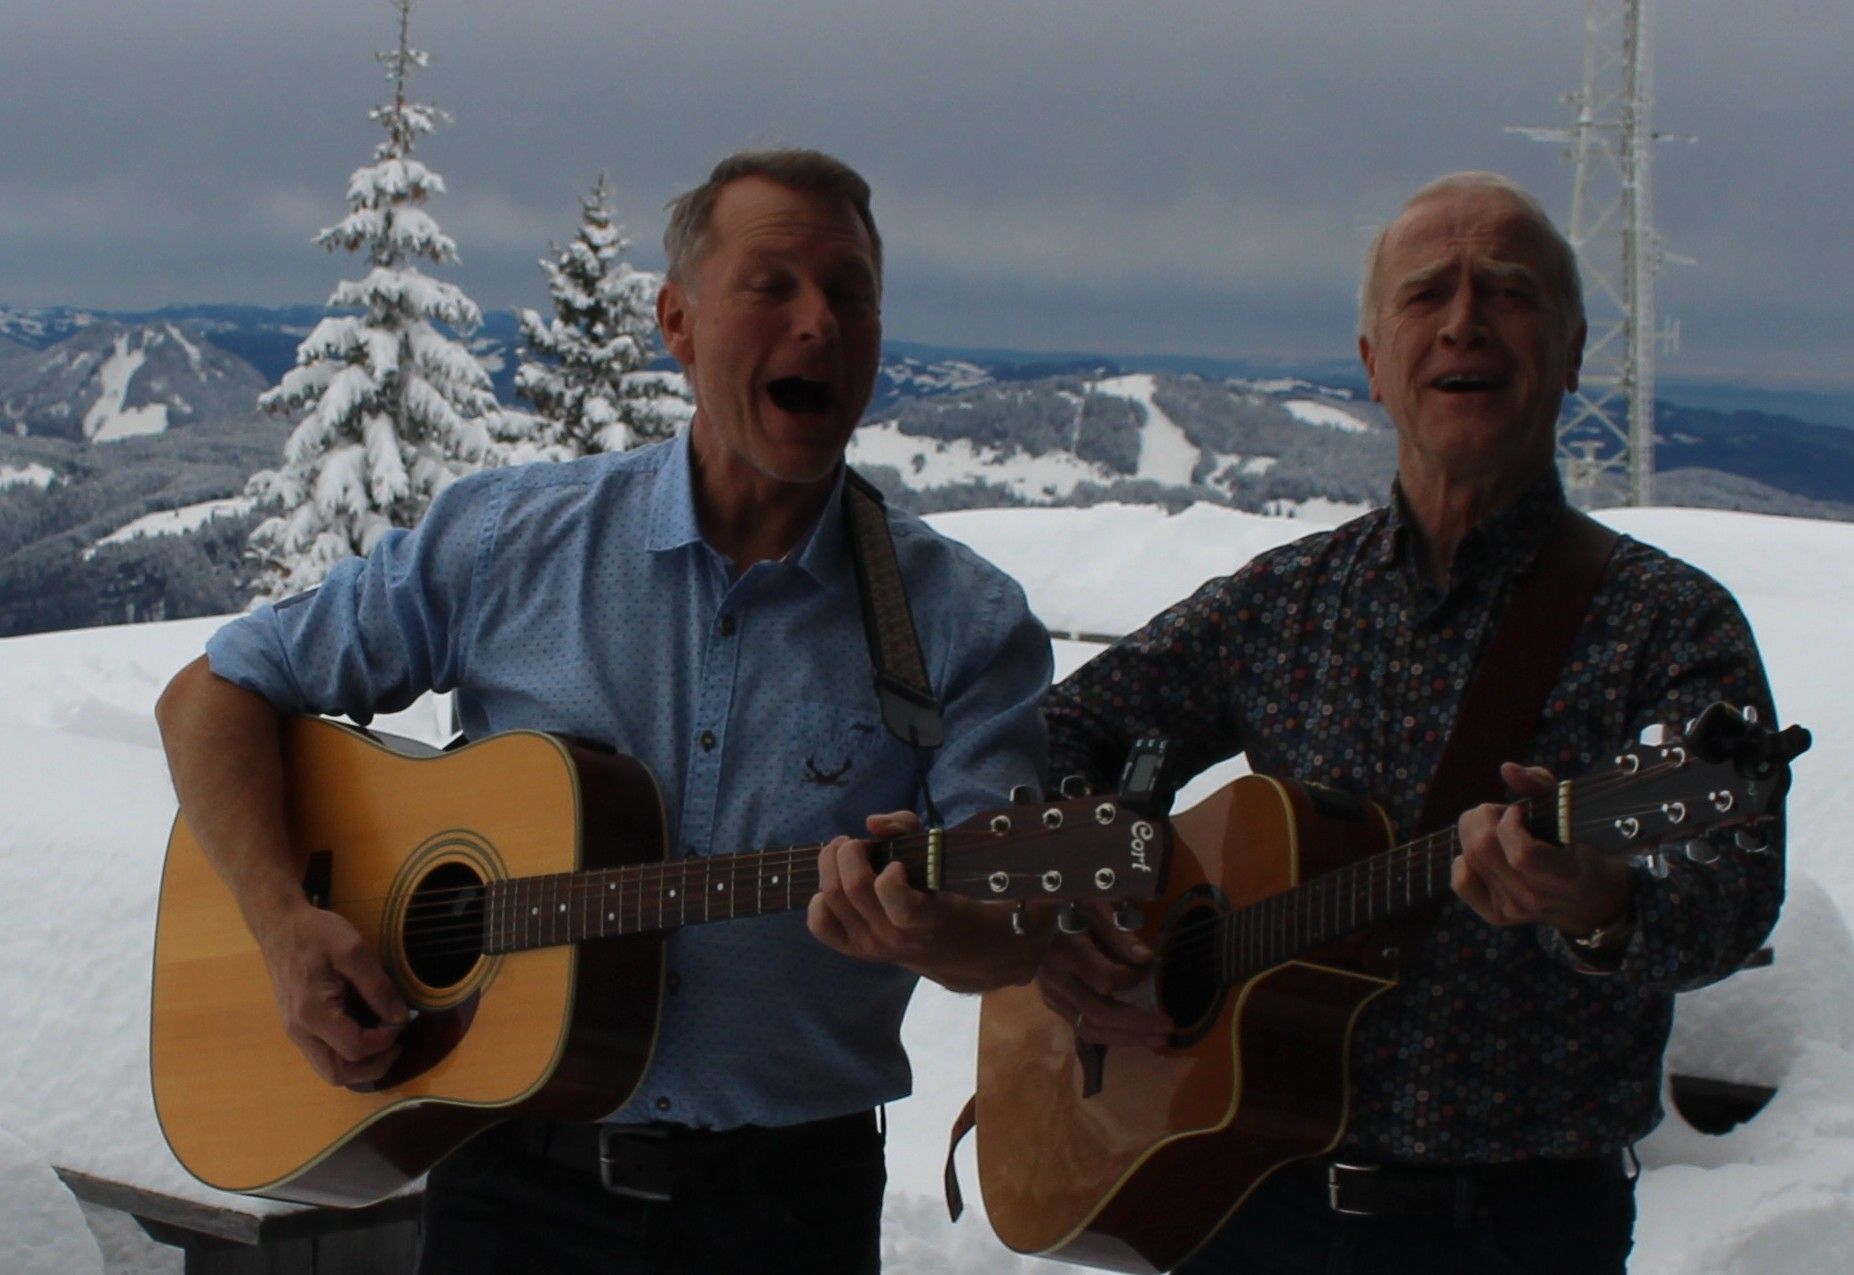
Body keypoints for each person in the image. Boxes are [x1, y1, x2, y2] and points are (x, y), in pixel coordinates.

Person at [154, 148, 1052, 1275]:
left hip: (785, 1213)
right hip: (509, 1185)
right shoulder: (507, 539)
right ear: (677, 323)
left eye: (853, 293)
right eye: (773, 284)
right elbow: (214, 692)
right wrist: (286, 928)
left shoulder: (962, 621)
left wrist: (948, 931)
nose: (821, 321)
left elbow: (1017, 925)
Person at [1034, 171, 1781, 1273]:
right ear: (1375, 359)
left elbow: (1728, 898)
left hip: (1517, 1227)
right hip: (1243, 1194)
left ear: (1573, 355)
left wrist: (1601, 897)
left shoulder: (1668, 624)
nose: (1465, 321)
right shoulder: (1281, 602)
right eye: (1427, 294)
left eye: (1509, 292)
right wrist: (1085, 914)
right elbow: (1060, 732)